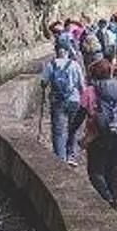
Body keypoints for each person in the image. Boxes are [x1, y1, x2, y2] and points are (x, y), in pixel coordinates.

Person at [80, 59, 117, 208]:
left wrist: (72, 134)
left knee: (95, 172)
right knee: (113, 172)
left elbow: (80, 115)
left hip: (98, 136)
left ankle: (106, 197)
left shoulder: (90, 91)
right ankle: (114, 202)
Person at [41, 36, 85, 164]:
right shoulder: (75, 65)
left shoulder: (51, 65)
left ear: (56, 50)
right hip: (74, 100)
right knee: (73, 128)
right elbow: (81, 86)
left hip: (57, 101)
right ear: (67, 50)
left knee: (59, 131)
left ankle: (60, 159)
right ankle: (71, 155)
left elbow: (44, 82)